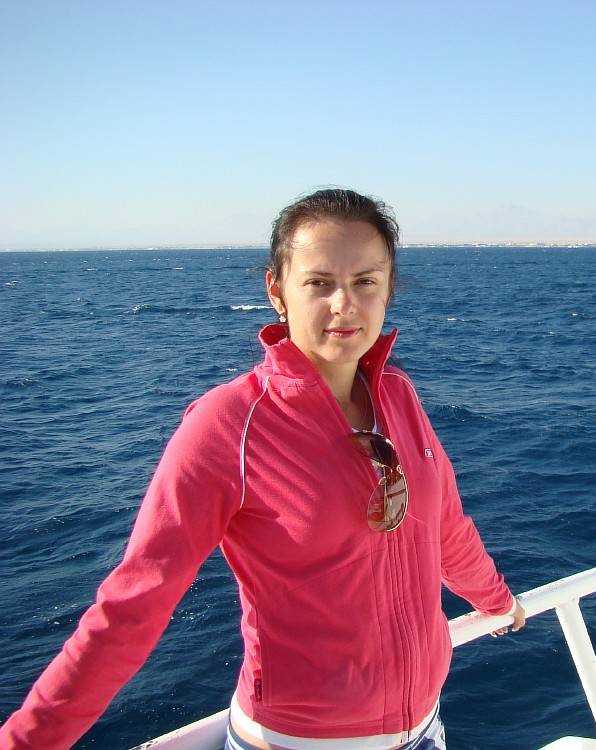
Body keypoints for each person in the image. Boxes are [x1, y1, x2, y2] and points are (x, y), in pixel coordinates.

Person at [0, 188, 525, 750]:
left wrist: (497, 601)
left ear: (389, 288)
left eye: (365, 281)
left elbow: (444, 527)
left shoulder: (398, 394)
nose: (344, 304)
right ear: (277, 290)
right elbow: (135, 603)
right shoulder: (228, 424)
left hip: (424, 730)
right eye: (319, 282)